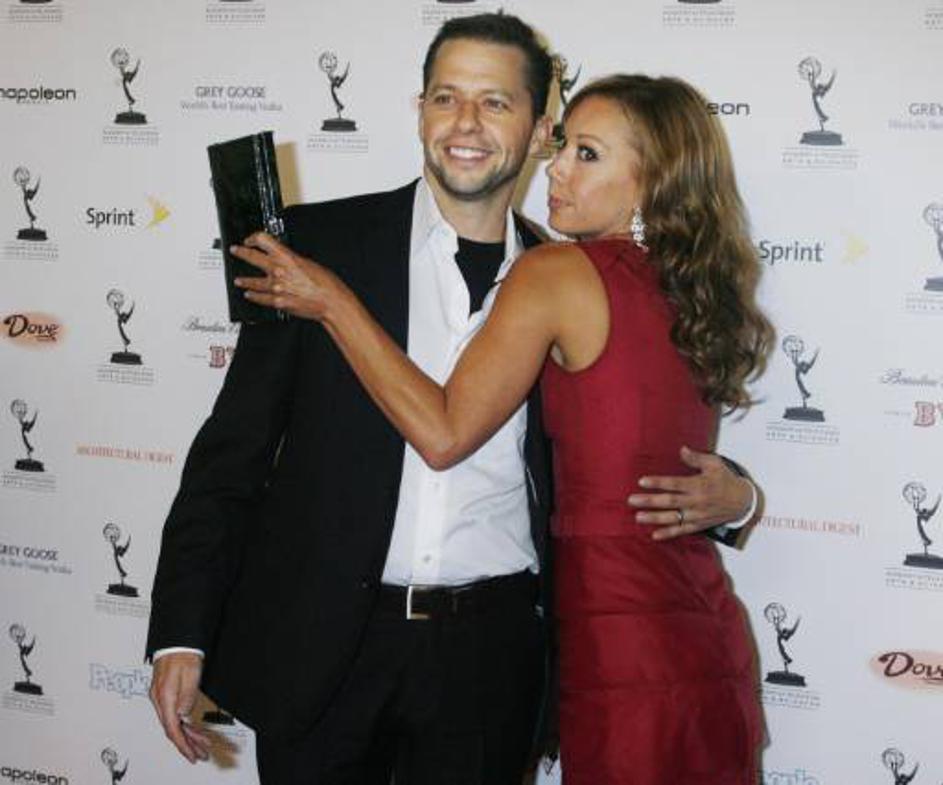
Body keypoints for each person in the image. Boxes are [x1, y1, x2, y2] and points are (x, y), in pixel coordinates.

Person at [148, 14, 759, 785]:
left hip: (491, 661)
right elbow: (229, 455)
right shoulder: (315, 248)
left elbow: (619, 437)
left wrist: (735, 495)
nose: (465, 122)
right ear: (419, 111)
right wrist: (181, 631)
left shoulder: (571, 275)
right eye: (446, 98)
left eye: (495, 102)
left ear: (538, 129)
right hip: (324, 652)